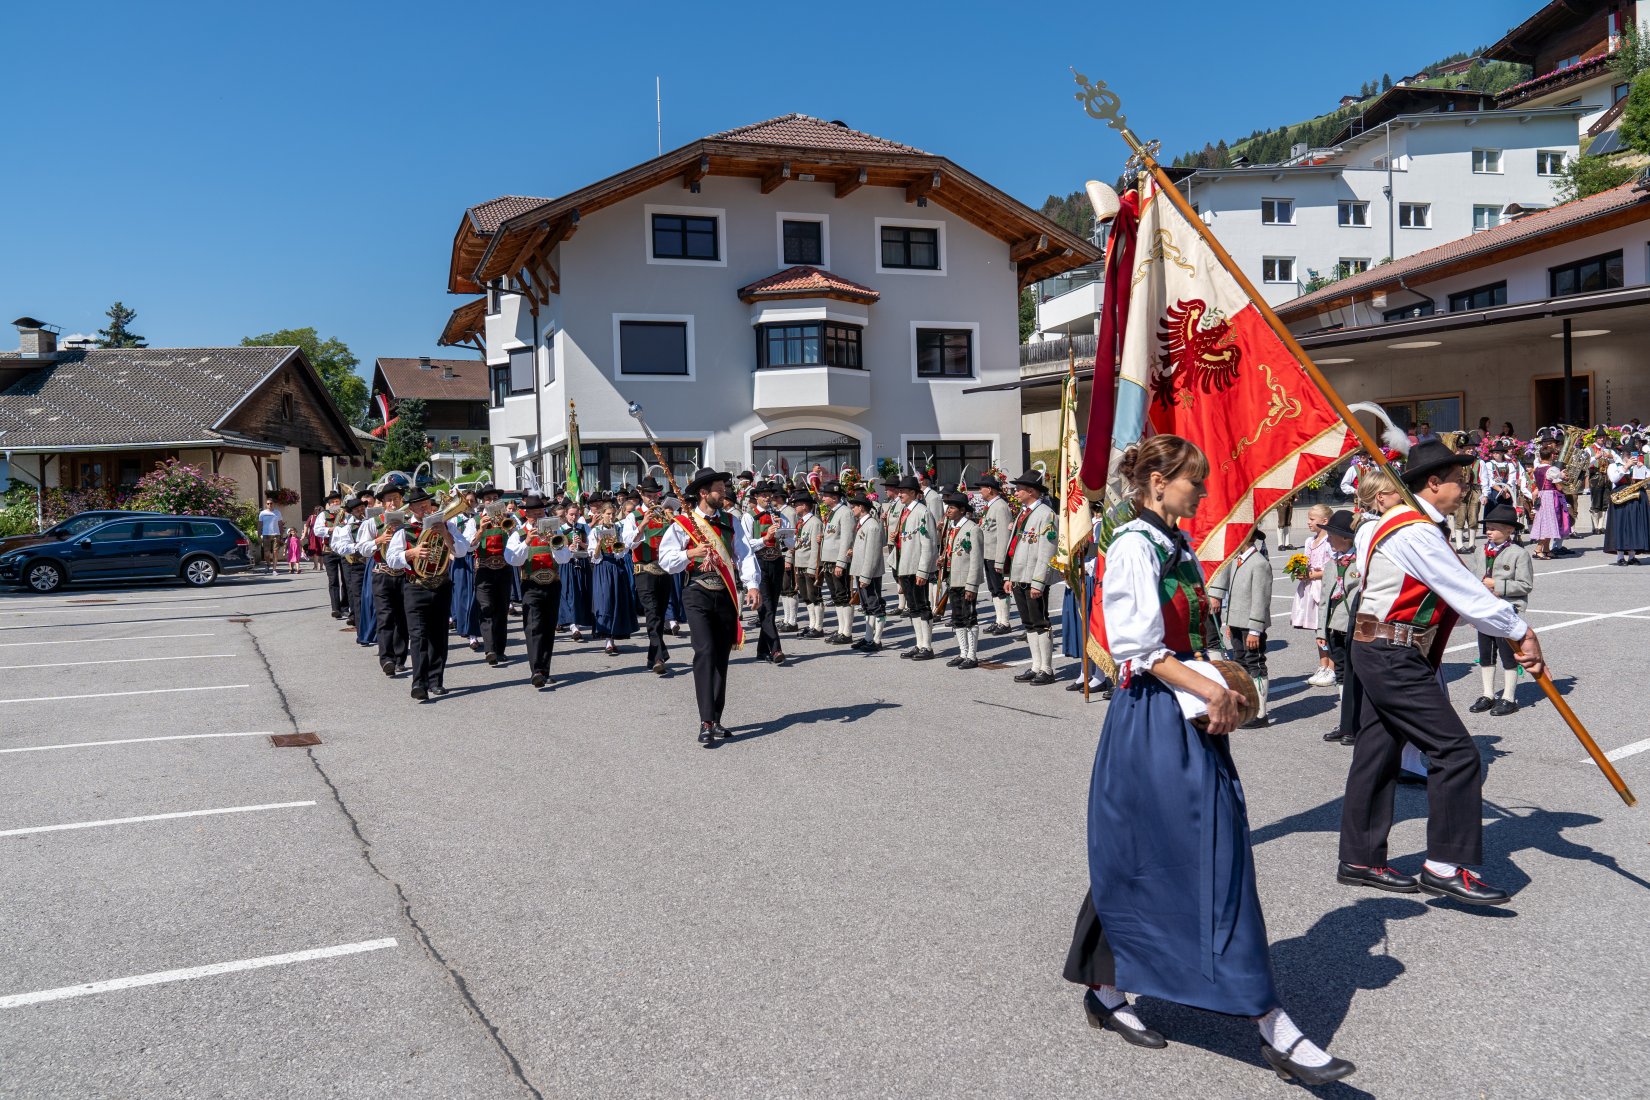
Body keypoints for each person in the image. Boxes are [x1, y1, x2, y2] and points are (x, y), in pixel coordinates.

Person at [1062, 434, 1353, 1088]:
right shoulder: (1134, 545)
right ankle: (1270, 1022)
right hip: (1151, 719)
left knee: (1150, 851)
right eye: (1193, 480)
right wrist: (1211, 689)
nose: (1201, 490)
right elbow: (1138, 649)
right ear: (1157, 481)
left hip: (1184, 713)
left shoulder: (1177, 543)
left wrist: (1219, 675)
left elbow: (1192, 634)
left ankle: (1104, 985)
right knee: (1201, 855)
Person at [1338, 437, 1546, 906]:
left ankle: (1360, 858)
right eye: (1459, 481)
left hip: (1383, 644)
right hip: (1392, 649)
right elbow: (1465, 593)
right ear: (1433, 483)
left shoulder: (1402, 523)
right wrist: (1520, 630)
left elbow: (1448, 593)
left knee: (1378, 752)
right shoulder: (1415, 530)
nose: (1465, 489)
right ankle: (1445, 866)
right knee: (1456, 753)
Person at [657, 468, 760, 746]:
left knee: (721, 657)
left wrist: (752, 585)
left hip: (725, 594)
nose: (724, 493)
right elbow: (665, 560)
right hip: (697, 592)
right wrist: (690, 552)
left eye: (724, 489)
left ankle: (715, 718)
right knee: (704, 651)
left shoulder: (730, 521)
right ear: (704, 493)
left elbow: (744, 554)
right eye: (719, 489)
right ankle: (705, 721)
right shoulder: (683, 523)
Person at [387, 487, 469, 701]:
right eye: (419, 506)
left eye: (427, 505)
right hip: (415, 587)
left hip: (441, 586)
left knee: (439, 636)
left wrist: (446, 535)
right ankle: (419, 683)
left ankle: (436, 681)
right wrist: (411, 553)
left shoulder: (447, 525)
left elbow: (462, 551)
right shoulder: (403, 530)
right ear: (411, 509)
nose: (425, 509)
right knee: (418, 637)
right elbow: (391, 559)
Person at [1470, 503, 1535, 717]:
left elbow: (1525, 585)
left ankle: (1509, 697)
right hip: (1484, 611)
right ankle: (1488, 694)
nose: (1488, 531)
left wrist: (1497, 585)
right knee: (1485, 653)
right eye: (1487, 528)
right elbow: (1472, 580)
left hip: (1507, 610)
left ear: (1509, 530)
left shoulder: (1519, 554)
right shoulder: (1480, 551)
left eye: (1494, 528)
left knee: (1508, 653)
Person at [504, 496, 572, 689]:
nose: (538, 517)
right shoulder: (518, 534)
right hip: (531, 585)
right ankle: (537, 671)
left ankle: (545, 670)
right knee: (534, 628)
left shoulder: (556, 532)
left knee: (548, 628)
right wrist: (527, 541)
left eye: (541, 513)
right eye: (534, 514)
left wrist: (553, 543)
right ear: (526, 515)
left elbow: (565, 558)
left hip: (552, 584)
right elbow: (512, 560)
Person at [1208, 531, 1273, 727]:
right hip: (1237, 622)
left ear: (1248, 538)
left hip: (1250, 626)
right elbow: (1234, 596)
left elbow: (1261, 600)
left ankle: (1260, 713)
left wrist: (1255, 630)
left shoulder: (1259, 563)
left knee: (1256, 664)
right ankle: (1247, 708)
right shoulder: (1238, 560)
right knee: (1241, 664)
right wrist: (1229, 622)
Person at [1006, 470, 1057, 685]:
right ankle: (1036, 666)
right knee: (1028, 623)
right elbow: (1015, 547)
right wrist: (1009, 576)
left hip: (1034, 577)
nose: (1015, 492)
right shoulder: (1023, 512)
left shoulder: (1046, 514)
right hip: (1020, 575)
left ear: (1031, 491)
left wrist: (1039, 582)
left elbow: (1047, 550)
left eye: (1019, 489)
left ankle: (1047, 669)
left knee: (1040, 622)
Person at [624, 478, 677, 675]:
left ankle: (651, 657)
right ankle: (659, 657)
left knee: (660, 615)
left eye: (655, 495)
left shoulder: (665, 514)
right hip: (644, 570)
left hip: (664, 569)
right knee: (652, 613)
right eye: (648, 495)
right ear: (642, 495)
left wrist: (674, 521)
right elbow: (627, 544)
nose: (652, 499)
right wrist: (642, 526)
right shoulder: (634, 516)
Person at [1316, 509, 1359, 743]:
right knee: (1341, 673)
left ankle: (1357, 724)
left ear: (1345, 538)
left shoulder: (1361, 561)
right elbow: (1324, 599)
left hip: (1353, 626)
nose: (1328, 539)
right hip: (1334, 627)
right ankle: (1346, 722)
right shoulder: (1332, 564)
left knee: (1357, 675)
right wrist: (1321, 630)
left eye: (1331, 535)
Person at [891, 475, 939, 661]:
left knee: (922, 606)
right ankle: (919, 643)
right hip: (905, 565)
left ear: (913, 493)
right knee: (913, 608)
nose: (899, 494)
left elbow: (929, 544)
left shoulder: (922, 512)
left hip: (916, 566)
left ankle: (927, 646)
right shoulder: (905, 511)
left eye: (903, 491)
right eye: (899, 491)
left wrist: (923, 570)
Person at [938, 491, 984, 668]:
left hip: (966, 580)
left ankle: (972, 655)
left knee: (969, 617)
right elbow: (952, 550)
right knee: (957, 617)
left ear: (962, 510)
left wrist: (972, 585)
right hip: (953, 578)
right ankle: (963, 652)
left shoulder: (972, 529)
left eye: (952, 507)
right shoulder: (952, 528)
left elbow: (976, 559)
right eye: (947, 507)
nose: (948, 511)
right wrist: (943, 559)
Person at [368, 483, 409, 674]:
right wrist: (378, 541)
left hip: (404, 574)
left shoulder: (409, 521)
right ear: (383, 503)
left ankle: (400, 658)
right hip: (382, 574)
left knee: (403, 617)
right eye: (389, 500)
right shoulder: (374, 522)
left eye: (396, 499)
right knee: (385, 617)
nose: (393, 503)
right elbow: (361, 547)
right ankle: (386, 659)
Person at [1293, 504, 1335, 686]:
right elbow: (1306, 562)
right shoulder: (1310, 541)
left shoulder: (1330, 542)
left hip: (1323, 588)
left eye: (1312, 519)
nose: (1308, 522)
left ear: (1324, 521)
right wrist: (1300, 571)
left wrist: (1312, 575)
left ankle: (1332, 668)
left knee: (1327, 629)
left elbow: (1332, 568)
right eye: (1308, 518)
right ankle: (1322, 665)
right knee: (1319, 629)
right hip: (1311, 587)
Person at [470, 498, 516, 665]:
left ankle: (500, 650)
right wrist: (481, 530)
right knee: (486, 608)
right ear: (483, 502)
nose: (492, 502)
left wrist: (509, 527)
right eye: (488, 498)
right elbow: (469, 545)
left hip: (504, 570)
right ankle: (490, 650)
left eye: (495, 498)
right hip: (484, 570)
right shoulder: (474, 521)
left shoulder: (509, 518)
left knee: (501, 610)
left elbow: (518, 540)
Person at [587, 499, 635, 657]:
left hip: (617, 566)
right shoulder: (595, 531)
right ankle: (607, 638)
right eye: (608, 514)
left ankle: (613, 638)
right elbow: (594, 557)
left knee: (617, 601)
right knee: (605, 601)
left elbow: (622, 551)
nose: (611, 516)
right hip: (603, 567)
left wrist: (619, 545)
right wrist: (599, 545)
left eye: (613, 514)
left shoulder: (619, 528)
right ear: (602, 514)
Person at [973, 475, 1016, 636]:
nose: (980, 491)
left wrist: (1000, 560)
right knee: (993, 589)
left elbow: (1004, 535)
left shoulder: (1000, 507)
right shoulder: (991, 506)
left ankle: (1005, 622)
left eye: (981, 488)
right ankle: (999, 620)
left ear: (990, 489)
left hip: (995, 556)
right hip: (988, 554)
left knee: (1000, 589)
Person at [846, 494, 887, 651]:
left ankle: (877, 640)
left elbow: (873, 553)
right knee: (867, 606)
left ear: (861, 507)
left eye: (854, 507)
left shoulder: (872, 526)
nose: (852, 509)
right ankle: (868, 637)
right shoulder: (863, 524)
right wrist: (854, 551)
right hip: (862, 570)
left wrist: (866, 576)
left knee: (875, 605)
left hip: (869, 573)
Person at [819, 481, 855, 644]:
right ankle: (841, 629)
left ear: (834, 497)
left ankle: (847, 632)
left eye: (825, 495)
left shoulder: (845, 513)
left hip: (837, 561)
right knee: (836, 597)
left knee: (842, 595)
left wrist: (841, 562)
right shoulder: (833, 512)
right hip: (829, 560)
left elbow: (847, 539)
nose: (823, 498)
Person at [1604, 436, 1649, 566]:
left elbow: (1647, 478)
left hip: (1636, 498)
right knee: (1621, 526)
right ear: (1623, 454)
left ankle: (1632, 556)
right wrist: (1626, 466)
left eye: (1633, 454)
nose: (1631, 457)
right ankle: (1620, 557)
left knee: (1635, 526)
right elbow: (1614, 478)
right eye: (1629, 454)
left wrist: (1642, 469)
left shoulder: (1638, 466)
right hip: (1620, 498)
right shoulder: (1614, 466)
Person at [789, 491, 824, 639]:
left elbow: (815, 547)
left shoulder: (814, 522)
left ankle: (818, 626)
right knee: (805, 596)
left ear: (804, 506)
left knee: (814, 595)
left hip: (809, 564)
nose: (795, 507)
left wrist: (813, 567)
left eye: (797, 504)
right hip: (800, 563)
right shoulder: (801, 522)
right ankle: (811, 624)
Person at [558, 502, 594, 640]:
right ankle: (574, 626)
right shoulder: (560, 529)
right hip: (567, 563)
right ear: (566, 515)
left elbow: (593, 546)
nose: (574, 517)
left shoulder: (584, 527)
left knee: (582, 592)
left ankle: (580, 622)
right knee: (570, 593)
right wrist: (568, 548)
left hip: (582, 562)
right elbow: (556, 549)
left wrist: (582, 544)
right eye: (571, 515)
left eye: (576, 515)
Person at [1527, 443, 1570, 559]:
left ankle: (1546, 549)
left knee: (1547, 522)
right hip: (1550, 496)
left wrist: (1560, 476)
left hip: (1542, 495)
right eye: (1554, 454)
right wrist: (1564, 480)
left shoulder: (1537, 469)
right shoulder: (1552, 469)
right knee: (1548, 523)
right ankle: (1538, 549)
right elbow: (1559, 486)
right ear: (1551, 456)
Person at [1450, 432, 1481, 552]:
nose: (1470, 450)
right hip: (1460, 490)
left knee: (1473, 516)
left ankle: (1472, 544)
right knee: (1460, 516)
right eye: (1468, 448)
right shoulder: (1456, 461)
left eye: (1472, 448)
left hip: (1474, 489)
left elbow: (1483, 478)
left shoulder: (1478, 462)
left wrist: (1483, 494)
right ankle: (1459, 545)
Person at [257, 496, 281, 574]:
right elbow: (260, 525)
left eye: (271, 503)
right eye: (268, 503)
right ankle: (268, 564)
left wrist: (281, 535)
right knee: (266, 553)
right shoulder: (262, 513)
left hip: (276, 535)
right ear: (266, 504)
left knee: (275, 552)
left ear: (273, 504)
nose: (269, 505)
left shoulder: (277, 512)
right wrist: (258, 536)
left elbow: (280, 524)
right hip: (266, 535)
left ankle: (274, 569)